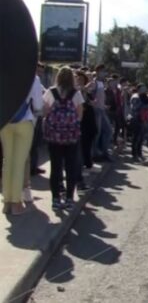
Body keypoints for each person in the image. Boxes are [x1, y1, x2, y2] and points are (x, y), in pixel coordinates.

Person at [1, 72, 44, 215]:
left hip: (5, 122)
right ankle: (16, 203)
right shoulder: (33, 78)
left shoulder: (4, 74)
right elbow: (38, 104)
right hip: (25, 121)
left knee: (7, 162)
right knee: (19, 163)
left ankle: (7, 202)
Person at [42, 66, 84, 211]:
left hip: (54, 136)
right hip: (71, 137)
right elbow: (80, 116)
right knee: (70, 167)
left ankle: (55, 199)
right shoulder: (76, 94)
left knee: (55, 167)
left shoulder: (50, 92)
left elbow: (45, 112)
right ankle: (69, 199)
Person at [76, 71, 98, 171]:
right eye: (78, 79)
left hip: (89, 120)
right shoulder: (76, 90)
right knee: (82, 143)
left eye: (82, 80)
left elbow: (91, 102)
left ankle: (88, 163)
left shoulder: (87, 92)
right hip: (81, 120)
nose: (80, 81)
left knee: (88, 142)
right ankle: (81, 165)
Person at [91, 64, 113, 162]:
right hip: (96, 111)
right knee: (97, 132)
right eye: (103, 71)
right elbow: (90, 95)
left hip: (102, 110)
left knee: (108, 130)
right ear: (98, 71)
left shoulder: (102, 83)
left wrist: (103, 105)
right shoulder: (94, 82)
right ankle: (95, 154)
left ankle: (103, 152)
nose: (104, 73)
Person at [30, 63, 46, 176]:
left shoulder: (38, 82)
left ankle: (34, 166)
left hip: (37, 117)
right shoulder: (34, 80)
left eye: (41, 72)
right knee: (32, 144)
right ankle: (31, 168)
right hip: (32, 117)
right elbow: (38, 103)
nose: (39, 74)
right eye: (38, 71)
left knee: (35, 144)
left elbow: (45, 92)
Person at [130, 84, 148, 161]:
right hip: (136, 119)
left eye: (145, 88)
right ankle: (134, 154)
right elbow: (134, 108)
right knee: (136, 138)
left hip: (144, 120)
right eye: (142, 88)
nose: (144, 90)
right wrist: (144, 107)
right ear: (138, 89)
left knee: (141, 138)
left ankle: (139, 153)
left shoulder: (145, 97)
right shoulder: (135, 97)